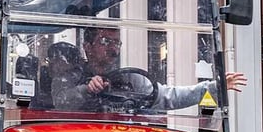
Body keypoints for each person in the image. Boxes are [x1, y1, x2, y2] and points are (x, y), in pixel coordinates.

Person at [53, 27, 247, 111]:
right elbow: (60, 103)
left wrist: (215, 87)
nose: (113, 49)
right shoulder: (70, 77)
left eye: (116, 43)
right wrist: (86, 90)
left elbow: (169, 97)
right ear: (87, 46)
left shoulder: (132, 79)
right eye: (105, 42)